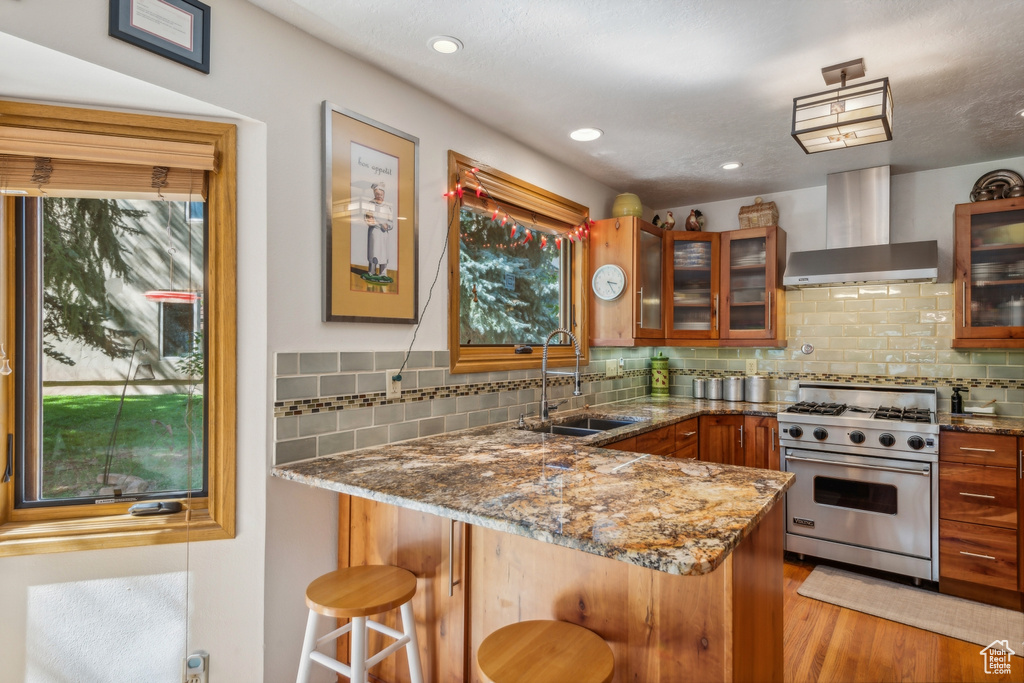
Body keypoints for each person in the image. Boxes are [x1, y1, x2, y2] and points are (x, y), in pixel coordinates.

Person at [365, 181, 395, 279]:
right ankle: (371, 271)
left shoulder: (387, 207)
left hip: (384, 235)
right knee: (373, 252)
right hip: (374, 233)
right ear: (374, 194)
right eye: (377, 194)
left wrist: (387, 225)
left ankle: (383, 273)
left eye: (381, 194)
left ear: (384, 194)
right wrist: (377, 223)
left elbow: (391, 222)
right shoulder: (370, 205)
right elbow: (368, 219)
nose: (379, 196)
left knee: (383, 253)